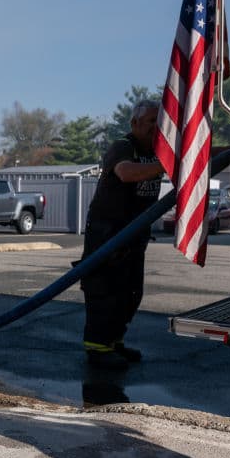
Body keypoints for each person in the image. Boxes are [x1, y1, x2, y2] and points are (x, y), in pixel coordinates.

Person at [78, 100, 166, 370]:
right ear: (135, 123)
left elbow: (202, 152)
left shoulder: (160, 151)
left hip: (134, 236)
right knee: (105, 292)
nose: (157, 128)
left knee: (131, 293)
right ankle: (98, 349)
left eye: (160, 122)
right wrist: (170, 164)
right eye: (152, 121)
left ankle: (114, 342)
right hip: (108, 234)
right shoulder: (123, 147)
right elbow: (126, 173)